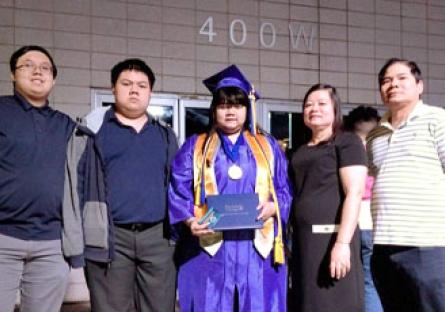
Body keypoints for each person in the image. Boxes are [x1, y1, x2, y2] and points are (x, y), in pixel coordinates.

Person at [168, 65, 292, 312]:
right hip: (211, 249)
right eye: (224, 106)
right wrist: (190, 220)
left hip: (256, 247)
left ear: (247, 109)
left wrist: (273, 206)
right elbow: (178, 188)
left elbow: (284, 188)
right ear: (214, 110)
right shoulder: (196, 146)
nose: (231, 112)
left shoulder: (268, 147)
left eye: (237, 105)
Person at [82, 58, 178, 312]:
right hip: (112, 236)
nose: (134, 90)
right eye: (126, 83)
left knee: (160, 307)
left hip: (158, 237)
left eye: (141, 85)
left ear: (150, 92)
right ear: (113, 89)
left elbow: (179, 187)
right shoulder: (92, 132)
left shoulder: (165, 135)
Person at [0, 45, 83, 312]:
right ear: (13, 74)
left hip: (52, 242)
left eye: (45, 67)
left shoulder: (67, 125)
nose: (37, 71)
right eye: (28, 65)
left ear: (54, 79)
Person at [367, 58, 445, 312]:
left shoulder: (437, 119)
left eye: (401, 78)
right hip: (384, 246)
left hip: (427, 245)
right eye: (386, 81)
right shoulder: (375, 134)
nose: (393, 84)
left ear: (419, 85)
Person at [289, 84, 367, 312]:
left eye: (322, 103)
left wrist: (342, 244)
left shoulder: (347, 142)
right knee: (308, 303)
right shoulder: (299, 150)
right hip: (303, 242)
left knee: (334, 302)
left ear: (335, 108)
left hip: (333, 237)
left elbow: (354, 192)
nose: (314, 108)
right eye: (308, 105)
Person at [344, 106, 382, 312]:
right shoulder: (382, 154)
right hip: (373, 223)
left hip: (350, 223)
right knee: (370, 283)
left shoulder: (347, 153)